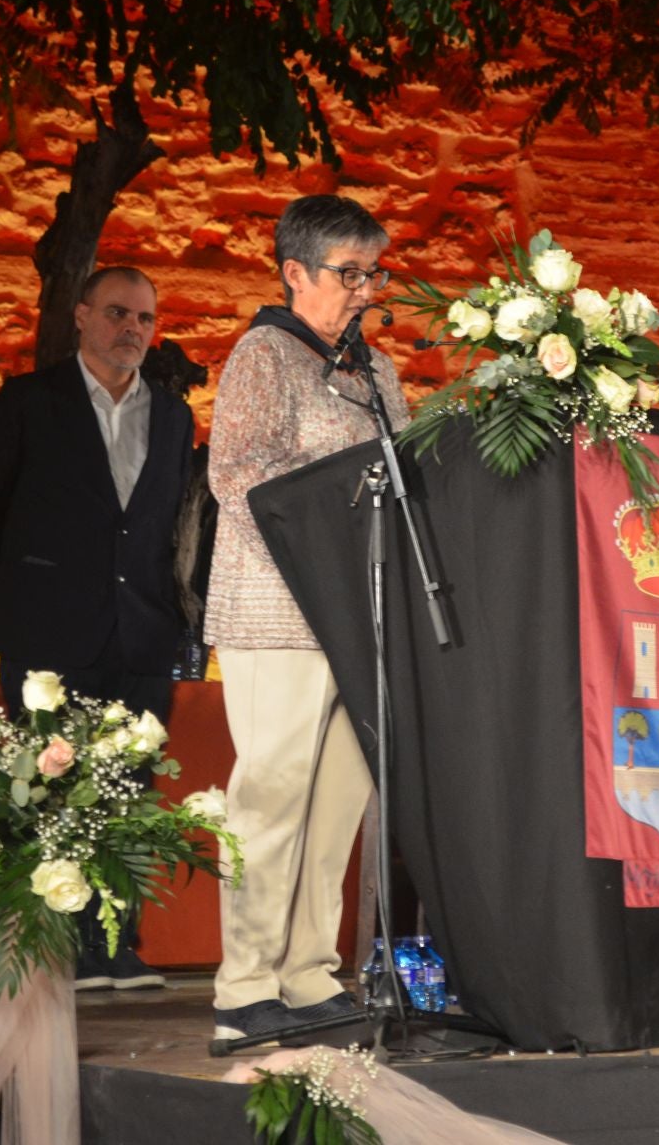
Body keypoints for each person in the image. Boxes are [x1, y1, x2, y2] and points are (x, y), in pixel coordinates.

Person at [206, 194, 407, 1043]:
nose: (365, 288)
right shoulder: (264, 355)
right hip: (277, 610)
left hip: (360, 616)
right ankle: (244, 987)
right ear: (295, 273)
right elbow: (240, 475)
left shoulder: (377, 371)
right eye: (347, 272)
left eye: (374, 270)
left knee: (337, 803)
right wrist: (328, 533)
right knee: (273, 794)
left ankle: (309, 972)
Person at [0, 265, 193, 990]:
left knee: (128, 791)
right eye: (119, 313)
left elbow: (172, 524)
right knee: (49, 792)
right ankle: (56, 949)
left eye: (146, 319)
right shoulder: (31, 401)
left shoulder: (175, 414)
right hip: (49, 635)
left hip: (144, 634)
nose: (133, 329)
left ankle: (114, 946)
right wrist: (35, 589)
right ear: (82, 317)